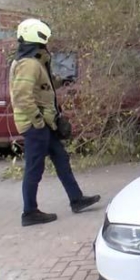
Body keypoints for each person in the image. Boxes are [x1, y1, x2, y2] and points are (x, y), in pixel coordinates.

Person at [11, 18, 100, 227]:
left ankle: (76, 199)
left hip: (44, 124)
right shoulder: (28, 64)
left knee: (61, 158)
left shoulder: (34, 61)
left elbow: (42, 87)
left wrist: (62, 81)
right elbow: (22, 96)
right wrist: (38, 121)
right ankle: (29, 212)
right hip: (36, 125)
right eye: (45, 39)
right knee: (34, 168)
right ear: (37, 38)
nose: (47, 42)